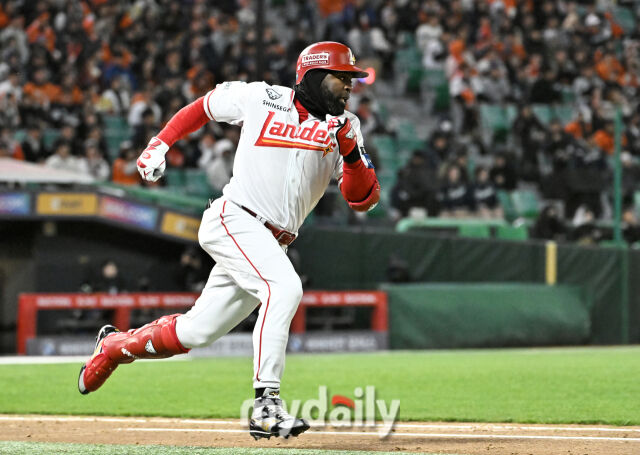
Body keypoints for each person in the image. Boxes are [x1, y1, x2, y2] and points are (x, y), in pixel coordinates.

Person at [77, 42, 380, 440]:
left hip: (272, 243)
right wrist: (160, 142)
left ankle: (114, 347)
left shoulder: (347, 126)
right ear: (314, 75)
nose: (350, 85)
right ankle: (266, 405)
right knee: (284, 288)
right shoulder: (262, 98)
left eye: (351, 79)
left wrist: (351, 152)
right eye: (342, 77)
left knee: (196, 332)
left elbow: (363, 200)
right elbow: (204, 106)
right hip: (234, 218)